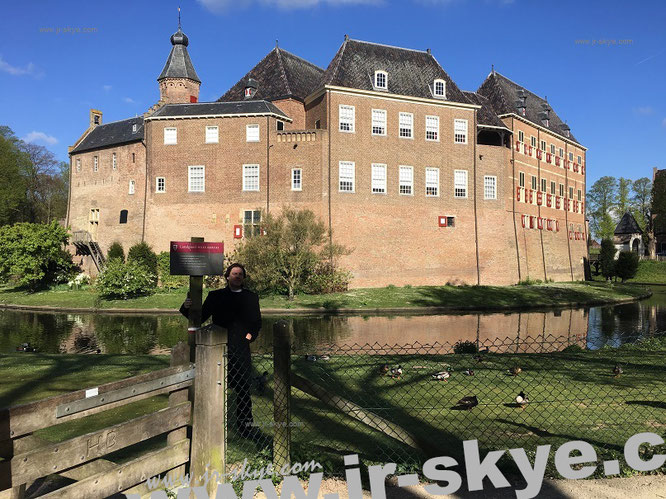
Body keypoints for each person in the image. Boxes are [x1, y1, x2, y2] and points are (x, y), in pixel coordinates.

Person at [180, 263, 262, 437]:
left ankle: (245, 427)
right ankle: (211, 425)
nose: (237, 277)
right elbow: (200, 318)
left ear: (243, 278)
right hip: (217, 347)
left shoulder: (251, 297)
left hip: (240, 348)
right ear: (227, 277)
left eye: (240, 274)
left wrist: (251, 335)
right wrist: (186, 307)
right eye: (234, 274)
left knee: (242, 389)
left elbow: (257, 321)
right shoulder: (216, 296)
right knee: (214, 386)